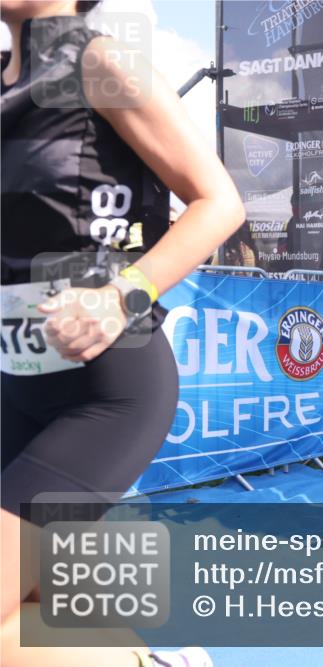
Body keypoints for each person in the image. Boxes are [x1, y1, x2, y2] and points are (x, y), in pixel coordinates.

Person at [1, 2, 244, 666]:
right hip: (15, 385)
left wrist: (121, 295)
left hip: (104, 389)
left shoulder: (100, 61)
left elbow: (218, 201)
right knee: (42, 600)